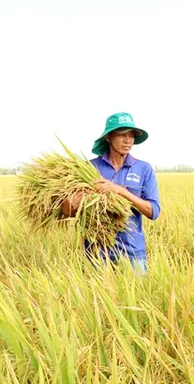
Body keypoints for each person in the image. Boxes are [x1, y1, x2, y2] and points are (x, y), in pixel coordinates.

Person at [62, 112, 161, 275]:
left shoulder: (143, 169)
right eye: (122, 134)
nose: (128, 140)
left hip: (133, 256)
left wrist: (120, 191)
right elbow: (66, 212)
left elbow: (154, 211)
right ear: (108, 137)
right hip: (96, 255)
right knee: (94, 301)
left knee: (135, 299)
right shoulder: (89, 169)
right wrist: (71, 202)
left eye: (131, 135)